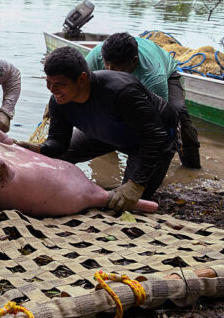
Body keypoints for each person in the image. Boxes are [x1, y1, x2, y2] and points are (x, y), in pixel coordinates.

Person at [16, 46, 178, 212]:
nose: (52, 89)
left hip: (152, 139)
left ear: (81, 79)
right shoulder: (58, 102)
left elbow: (155, 135)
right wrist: (40, 149)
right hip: (106, 132)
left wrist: (136, 185)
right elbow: (59, 142)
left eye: (59, 84)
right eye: (48, 83)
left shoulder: (121, 91)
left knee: (124, 204)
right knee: (51, 162)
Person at [85, 32, 200, 168]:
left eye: (116, 68)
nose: (110, 72)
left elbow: (157, 121)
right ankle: (107, 158)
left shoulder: (153, 76)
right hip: (125, 80)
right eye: (107, 65)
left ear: (134, 61)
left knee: (177, 111)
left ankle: (191, 165)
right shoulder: (96, 57)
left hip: (166, 73)